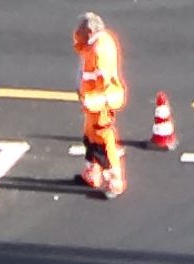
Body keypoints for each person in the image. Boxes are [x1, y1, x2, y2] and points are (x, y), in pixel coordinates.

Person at [74, 12, 128, 198]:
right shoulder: (101, 41)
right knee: (90, 138)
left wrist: (92, 100)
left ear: (89, 31)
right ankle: (92, 174)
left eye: (79, 30)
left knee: (103, 141)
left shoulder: (98, 52)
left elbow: (102, 82)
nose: (76, 33)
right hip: (94, 101)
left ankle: (115, 181)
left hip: (100, 103)